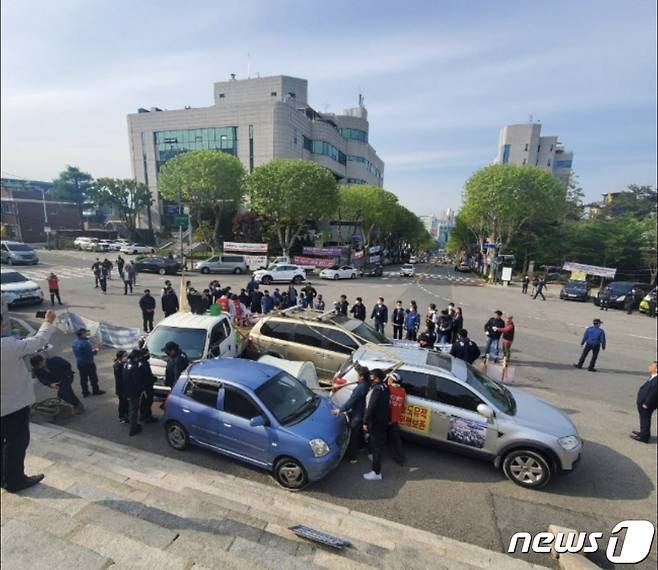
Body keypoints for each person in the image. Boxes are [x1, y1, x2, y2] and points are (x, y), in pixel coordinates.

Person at [1, 309, 57, 493]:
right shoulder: (7, 346)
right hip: (13, 406)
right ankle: (15, 480)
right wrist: (48, 321)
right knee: (16, 442)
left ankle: (3, 476)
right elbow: (38, 342)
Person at [331, 367, 370, 463]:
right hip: (360, 411)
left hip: (357, 414)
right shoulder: (365, 384)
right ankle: (361, 447)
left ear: (361, 377)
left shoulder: (360, 388)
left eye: (358, 375)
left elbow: (351, 401)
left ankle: (353, 457)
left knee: (353, 435)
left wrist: (339, 410)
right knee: (359, 433)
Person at [362, 368, 390, 481]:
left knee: (376, 446)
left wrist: (365, 421)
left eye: (372, 376)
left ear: (377, 378)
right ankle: (374, 459)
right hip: (383, 420)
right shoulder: (385, 387)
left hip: (376, 422)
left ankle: (376, 472)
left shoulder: (377, 389)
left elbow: (371, 407)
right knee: (378, 444)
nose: (370, 377)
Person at [72, 328, 105, 397]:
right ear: (82, 334)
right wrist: (96, 349)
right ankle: (95, 391)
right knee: (93, 378)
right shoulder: (85, 343)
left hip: (80, 362)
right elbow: (91, 354)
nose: (87, 335)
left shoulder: (74, 342)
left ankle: (85, 392)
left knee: (83, 378)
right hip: (88, 363)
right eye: (85, 333)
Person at [631, 361, 657, 443]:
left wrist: (647, 404)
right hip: (643, 401)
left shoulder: (656, 380)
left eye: (652, 366)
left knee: (645, 419)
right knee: (643, 418)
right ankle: (643, 433)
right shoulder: (653, 376)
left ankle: (644, 437)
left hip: (647, 404)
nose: (649, 367)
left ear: (656, 369)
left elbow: (654, 393)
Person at [123, 349, 145, 436]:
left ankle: (133, 424)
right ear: (136, 357)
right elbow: (137, 381)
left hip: (127, 390)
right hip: (133, 392)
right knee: (134, 410)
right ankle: (133, 429)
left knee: (131, 408)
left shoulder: (126, 364)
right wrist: (142, 389)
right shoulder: (135, 367)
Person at [387, 372, 406, 465]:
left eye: (389, 378)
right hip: (395, 419)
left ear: (391, 380)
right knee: (396, 439)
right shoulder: (402, 391)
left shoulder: (387, 389)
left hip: (385, 418)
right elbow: (402, 407)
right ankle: (400, 458)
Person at [136, 348, 157, 425]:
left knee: (144, 402)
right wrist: (153, 379)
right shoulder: (143, 364)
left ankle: (144, 415)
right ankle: (147, 417)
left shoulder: (141, 362)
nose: (148, 355)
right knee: (148, 401)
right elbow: (146, 376)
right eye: (147, 353)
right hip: (147, 387)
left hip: (145, 386)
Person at [113, 350, 129, 423]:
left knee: (126, 402)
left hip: (125, 388)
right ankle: (122, 417)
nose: (127, 357)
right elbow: (121, 379)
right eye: (125, 356)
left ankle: (126, 414)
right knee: (122, 403)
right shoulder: (118, 366)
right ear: (120, 357)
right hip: (121, 389)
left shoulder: (123, 364)